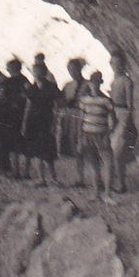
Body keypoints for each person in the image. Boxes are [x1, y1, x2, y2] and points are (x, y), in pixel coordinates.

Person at [20, 60, 61, 186]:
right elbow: (28, 106)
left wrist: (55, 122)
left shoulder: (51, 87)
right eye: (35, 72)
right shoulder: (31, 88)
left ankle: (53, 179)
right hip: (34, 121)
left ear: (44, 72)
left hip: (47, 120)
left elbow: (57, 106)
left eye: (39, 71)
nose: (37, 74)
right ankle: (41, 178)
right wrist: (24, 123)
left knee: (48, 152)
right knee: (37, 150)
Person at [78, 71, 117, 202]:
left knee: (108, 163)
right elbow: (81, 119)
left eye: (97, 83)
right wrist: (80, 136)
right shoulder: (84, 100)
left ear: (100, 84)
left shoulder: (106, 100)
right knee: (93, 164)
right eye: (92, 82)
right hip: (87, 134)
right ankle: (96, 193)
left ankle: (107, 194)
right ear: (89, 83)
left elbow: (113, 120)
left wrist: (108, 133)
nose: (94, 85)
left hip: (101, 134)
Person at [56, 57, 90, 185]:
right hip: (70, 118)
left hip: (83, 117)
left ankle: (92, 177)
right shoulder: (67, 85)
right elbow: (60, 101)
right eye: (70, 69)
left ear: (80, 69)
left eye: (74, 69)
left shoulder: (87, 84)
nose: (72, 71)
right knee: (75, 149)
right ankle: (80, 178)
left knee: (85, 147)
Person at [108, 47, 138, 193]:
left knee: (118, 150)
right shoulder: (114, 81)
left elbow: (130, 105)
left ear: (123, 64)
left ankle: (121, 183)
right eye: (113, 63)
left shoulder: (127, 81)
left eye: (119, 63)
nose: (116, 66)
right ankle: (116, 182)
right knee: (113, 150)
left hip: (123, 115)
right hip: (113, 114)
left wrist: (126, 122)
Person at [3, 57, 31, 177]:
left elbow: (4, 97)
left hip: (14, 115)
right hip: (21, 114)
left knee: (14, 145)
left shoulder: (9, 82)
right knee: (23, 144)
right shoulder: (24, 80)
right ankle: (24, 172)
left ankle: (17, 171)